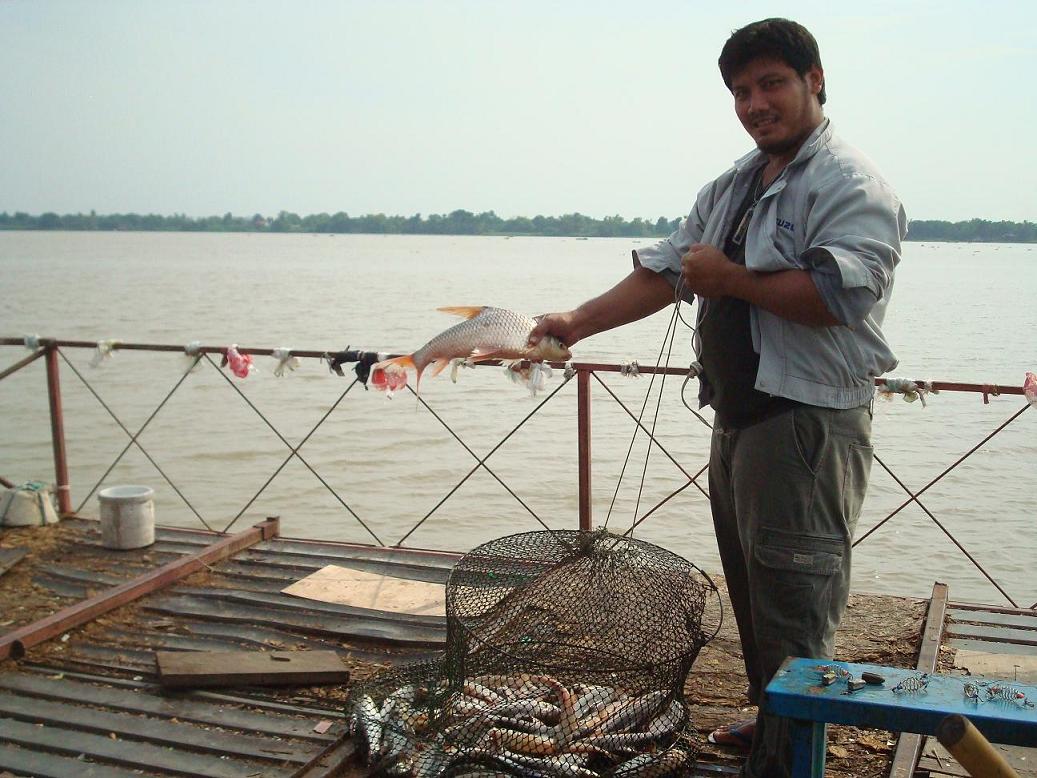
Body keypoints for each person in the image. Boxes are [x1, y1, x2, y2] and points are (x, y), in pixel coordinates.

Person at [527, 17, 907, 778]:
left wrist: (732, 280)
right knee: (754, 586)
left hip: (803, 426)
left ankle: (791, 757)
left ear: (815, 81)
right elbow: (667, 271)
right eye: (740, 91)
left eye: (771, 84)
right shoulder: (732, 185)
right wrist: (574, 323)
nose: (754, 102)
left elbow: (838, 294)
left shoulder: (850, 184)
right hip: (737, 418)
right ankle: (774, 714)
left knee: (797, 596)